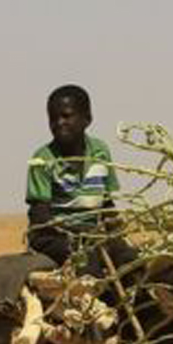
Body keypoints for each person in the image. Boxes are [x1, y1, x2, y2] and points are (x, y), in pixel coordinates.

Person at [25, 85, 123, 269]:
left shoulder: (100, 152)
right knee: (87, 262)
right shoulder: (42, 159)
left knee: (130, 259)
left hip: (91, 234)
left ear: (87, 119)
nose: (59, 122)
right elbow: (40, 217)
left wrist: (117, 237)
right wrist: (76, 237)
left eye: (66, 116)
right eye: (53, 118)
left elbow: (107, 204)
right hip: (53, 236)